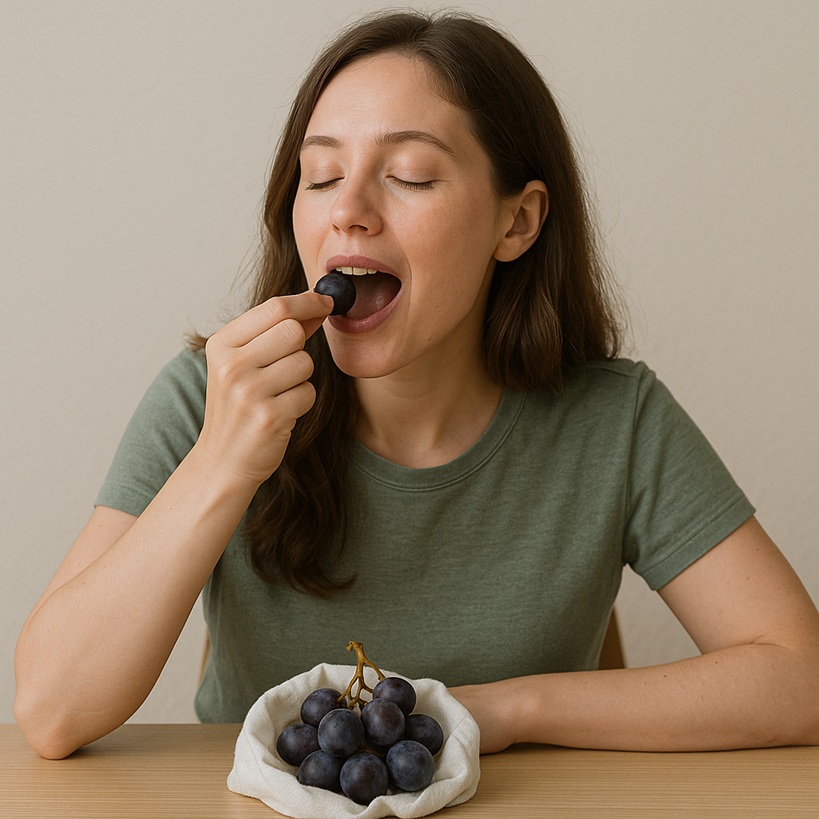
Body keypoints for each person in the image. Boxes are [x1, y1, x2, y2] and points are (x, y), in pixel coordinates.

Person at [14, 10, 819, 760]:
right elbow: (50, 711)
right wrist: (221, 461)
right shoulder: (210, 396)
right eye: (320, 176)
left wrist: (501, 710)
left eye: (409, 175)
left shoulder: (617, 421)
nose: (349, 210)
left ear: (516, 222)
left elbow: (800, 676)